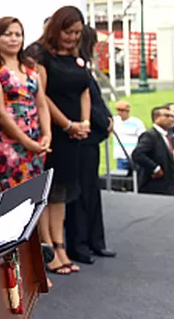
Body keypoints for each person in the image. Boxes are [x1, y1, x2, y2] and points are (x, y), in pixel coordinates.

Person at [35, 6, 91, 275]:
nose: (72, 37)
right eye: (68, 31)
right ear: (56, 28)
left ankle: (60, 246)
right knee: (48, 192)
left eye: (77, 33)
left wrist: (85, 123)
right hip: (53, 132)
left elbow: (85, 90)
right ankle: (47, 249)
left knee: (63, 194)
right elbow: (41, 96)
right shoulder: (42, 55)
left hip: (75, 134)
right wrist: (67, 125)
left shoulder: (77, 56)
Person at [0, 17, 49, 192]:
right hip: (9, 145)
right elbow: (0, 113)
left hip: (36, 144)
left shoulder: (31, 68)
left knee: (35, 196)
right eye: (8, 34)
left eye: (18, 34)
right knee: (14, 197)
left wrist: (47, 135)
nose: (14, 39)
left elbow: (41, 104)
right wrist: (26, 142)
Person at [65, 26, 115, 262]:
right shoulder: (74, 67)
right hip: (79, 135)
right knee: (80, 192)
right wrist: (103, 120)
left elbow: (96, 98)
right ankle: (81, 243)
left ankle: (94, 241)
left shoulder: (83, 65)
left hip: (91, 135)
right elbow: (83, 98)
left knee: (91, 190)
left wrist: (106, 117)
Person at [131, 105, 174, 195]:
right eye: (167, 116)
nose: (171, 119)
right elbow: (137, 154)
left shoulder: (169, 136)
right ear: (156, 117)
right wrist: (155, 168)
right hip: (156, 186)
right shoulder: (150, 135)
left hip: (170, 183)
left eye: (172, 116)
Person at [112, 100, 145, 171]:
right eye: (118, 110)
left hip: (134, 157)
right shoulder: (114, 121)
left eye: (121, 110)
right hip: (120, 156)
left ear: (127, 111)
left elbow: (143, 138)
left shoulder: (137, 123)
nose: (119, 113)